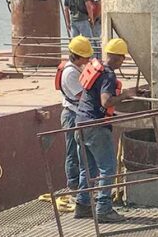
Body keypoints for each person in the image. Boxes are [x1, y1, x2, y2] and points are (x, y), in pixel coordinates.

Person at [74, 37, 137, 221]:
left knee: (88, 168)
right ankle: (103, 209)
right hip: (95, 126)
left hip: (80, 122)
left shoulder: (96, 67)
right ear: (118, 58)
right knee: (107, 168)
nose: (122, 61)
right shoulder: (108, 75)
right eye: (122, 58)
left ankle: (82, 205)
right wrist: (125, 95)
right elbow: (106, 101)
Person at [56, 36, 99, 197]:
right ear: (77, 55)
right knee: (73, 151)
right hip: (72, 115)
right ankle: (74, 186)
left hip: (77, 113)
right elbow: (83, 96)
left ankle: (83, 185)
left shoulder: (78, 67)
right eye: (86, 55)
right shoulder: (70, 73)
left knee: (82, 151)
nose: (88, 58)